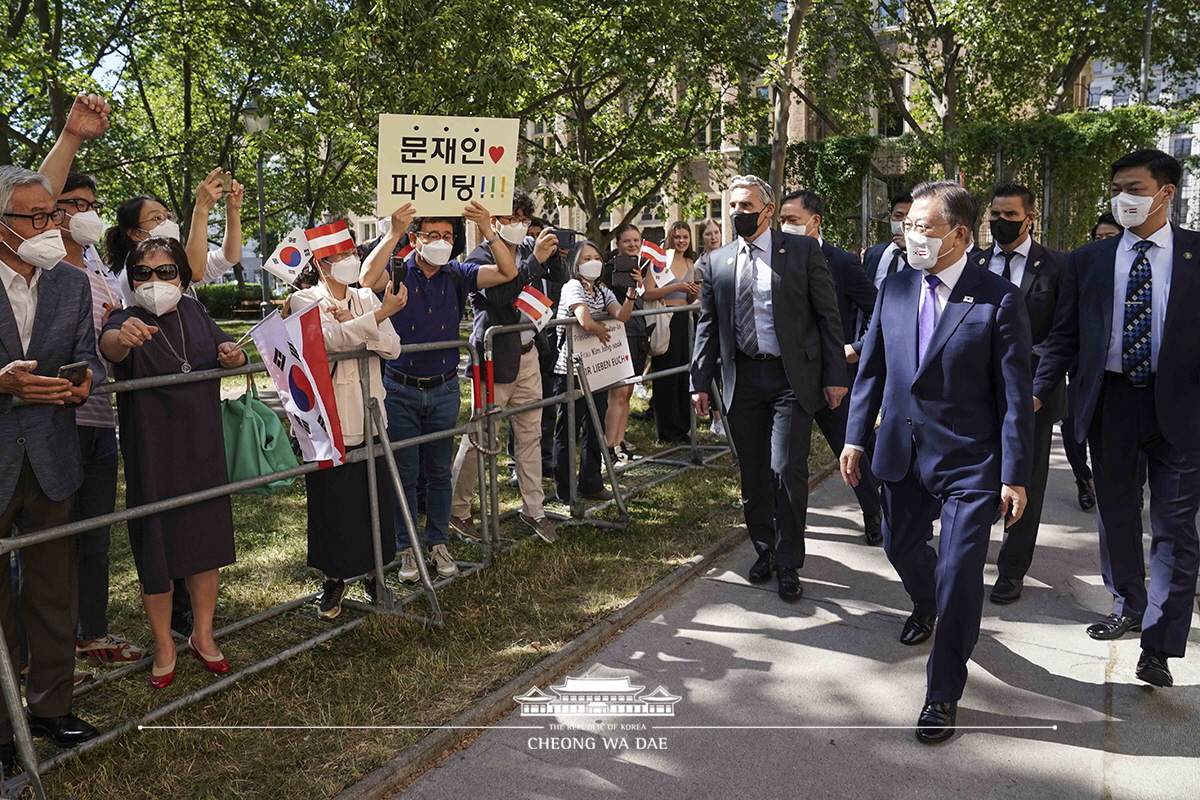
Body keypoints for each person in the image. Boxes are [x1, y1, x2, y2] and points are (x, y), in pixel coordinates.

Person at [841, 180, 1033, 744]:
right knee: (901, 547)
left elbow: (1015, 394)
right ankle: (925, 605)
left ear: (959, 235)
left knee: (958, 574)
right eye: (907, 226)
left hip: (971, 462)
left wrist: (1014, 473)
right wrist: (855, 438)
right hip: (900, 450)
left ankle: (942, 691)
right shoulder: (896, 287)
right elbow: (873, 368)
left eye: (924, 228)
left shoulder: (997, 296)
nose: (911, 236)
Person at [1033, 149, 1200, 689]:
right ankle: (1128, 603)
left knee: (1175, 527)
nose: (1122, 197)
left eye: (1133, 187)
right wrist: (1037, 392)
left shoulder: (1196, 254)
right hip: (1109, 403)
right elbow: (1064, 336)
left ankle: (1159, 644)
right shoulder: (1089, 260)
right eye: (1117, 188)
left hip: (1181, 407)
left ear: (1165, 193)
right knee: (1118, 514)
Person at [691, 174, 846, 602]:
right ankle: (765, 549)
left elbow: (828, 317)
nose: (739, 213)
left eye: (746, 206)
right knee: (753, 472)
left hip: (790, 378)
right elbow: (708, 325)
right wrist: (699, 381)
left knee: (785, 469)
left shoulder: (800, 251)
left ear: (768, 210)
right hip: (742, 378)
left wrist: (835, 376)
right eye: (733, 207)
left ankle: (790, 562)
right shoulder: (718, 261)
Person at [100, 237, 246, 689]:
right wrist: (121, 341)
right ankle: (165, 643)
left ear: (182, 275)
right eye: (142, 272)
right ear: (131, 278)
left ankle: (203, 635)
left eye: (166, 272)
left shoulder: (197, 312)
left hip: (202, 447)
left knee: (205, 543)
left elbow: (230, 353)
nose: (155, 281)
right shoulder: (124, 317)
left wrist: (233, 356)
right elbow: (110, 349)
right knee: (156, 550)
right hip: (153, 452)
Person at [0, 165, 103, 765]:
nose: (50, 227)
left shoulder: (68, 282)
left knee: (52, 591)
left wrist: (83, 382)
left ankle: (52, 708)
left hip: (53, 460)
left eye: (54, 215)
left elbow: (87, 355)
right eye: (36, 217)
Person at [359, 201, 517, 584]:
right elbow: (366, 279)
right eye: (433, 235)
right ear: (416, 239)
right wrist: (393, 232)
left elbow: (507, 272)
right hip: (400, 388)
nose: (442, 242)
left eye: (448, 236)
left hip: (445, 388)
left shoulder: (458, 273)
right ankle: (408, 547)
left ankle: (437, 541)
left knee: (439, 474)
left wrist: (487, 229)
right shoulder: (398, 267)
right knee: (406, 473)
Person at [288, 236, 404, 619]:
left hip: (371, 414)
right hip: (328, 417)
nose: (349, 260)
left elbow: (393, 348)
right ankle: (334, 580)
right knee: (333, 502)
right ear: (320, 263)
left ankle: (375, 574)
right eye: (339, 256)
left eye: (352, 253)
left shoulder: (366, 298)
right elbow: (327, 341)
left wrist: (363, 323)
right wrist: (373, 322)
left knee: (375, 494)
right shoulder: (305, 300)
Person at [56, 173, 147, 662]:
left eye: (93, 203)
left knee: (94, 536)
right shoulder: (42, 265)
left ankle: (91, 631)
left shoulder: (93, 264)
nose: (87, 212)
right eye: (75, 203)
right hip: (54, 422)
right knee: (49, 544)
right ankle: (38, 653)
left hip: (98, 418)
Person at [448, 188, 564, 545]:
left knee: (531, 434)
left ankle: (534, 508)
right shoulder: (479, 256)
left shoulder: (530, 249)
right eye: (509, 219)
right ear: (493, 221)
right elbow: (499, 295)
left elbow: (557, 281)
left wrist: (550, 253)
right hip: (494, 358)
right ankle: (457, 508)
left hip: (529, 352)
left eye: (522, 219)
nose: (517, 225)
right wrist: (532, 263)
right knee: (481, 436)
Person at [972, 183, 1066, 605]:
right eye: (995, 214)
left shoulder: (1056, 268)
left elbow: (1064, 336)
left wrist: (1039, 391)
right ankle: (969, 556)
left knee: (1024, 482)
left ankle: (1012, 570)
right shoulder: (972, 263)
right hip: (975, 392)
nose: (1000, 222)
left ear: (1031, 218)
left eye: (1010, 215)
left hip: (1031, 396)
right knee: (977, 477)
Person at [779, 189, 881, 545]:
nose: (785, 227)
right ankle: (787, 535)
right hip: (787, 379)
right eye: (782, 221)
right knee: (787, 461)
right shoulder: (777, 258)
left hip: (831, 378)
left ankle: (874, 512)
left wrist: (855, 349)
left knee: (849, 451)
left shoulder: (842, 263)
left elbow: (881, 313)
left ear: (814, 221)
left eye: (792, 220)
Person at [552, 241, 639, 503]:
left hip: (598, 369)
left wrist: (632, 291)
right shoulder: (572, 287)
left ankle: (591, 483)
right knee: (568, 430)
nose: (593, 262)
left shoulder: (603, 290)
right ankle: (565, 490)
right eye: (587, 258)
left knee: (594, 426)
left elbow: (621, 316)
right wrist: (601, 329)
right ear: (576, 264)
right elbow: (585, 320)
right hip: (571, 371)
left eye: (597, 257)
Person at [1061, 213, 1127, 512]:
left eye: (1110, 236)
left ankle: (1131, 487)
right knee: (1072, 429)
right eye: (1098, 237)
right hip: (1082, 371)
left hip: (1123, 377)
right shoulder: (1082, 268)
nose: (1103, 242)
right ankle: (1082, 479)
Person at [101, 169, 243, 292]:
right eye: (157, 218)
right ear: (134, 233)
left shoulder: (178, 263)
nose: (167, 223)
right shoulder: (138, 273)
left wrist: (232, 209)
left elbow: (229, 257)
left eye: (168, 216)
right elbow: (194, 273)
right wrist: (201, 209)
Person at [644, 221, 700, 445]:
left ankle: (683, 427)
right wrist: (676, 287)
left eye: (685, 237)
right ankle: (666, 430)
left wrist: (694, 293)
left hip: (684, 320)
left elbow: (689, 297)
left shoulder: (690, 262)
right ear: (670, 238)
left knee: (683, 374)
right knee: (665, 374)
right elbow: (648, 293)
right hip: (664, 318)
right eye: (677, 237)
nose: (681, 241)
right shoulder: (659, 260)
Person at [603, 224, 650, 461]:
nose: (632, 245)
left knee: (628, 393)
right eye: (626, 241)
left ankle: (620, 445)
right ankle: (608, 449)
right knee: (618, 394)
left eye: (636, 241)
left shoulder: (638, 268)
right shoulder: (609, 269)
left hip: (638, 334)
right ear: (617, 244)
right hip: (621, 335)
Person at [862, 190, 913, 288]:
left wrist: (910, 248)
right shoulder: (873, 253)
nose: (904, 222)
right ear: (890, 219)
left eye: (909, 217)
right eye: (898, 216)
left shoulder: (923, 256)